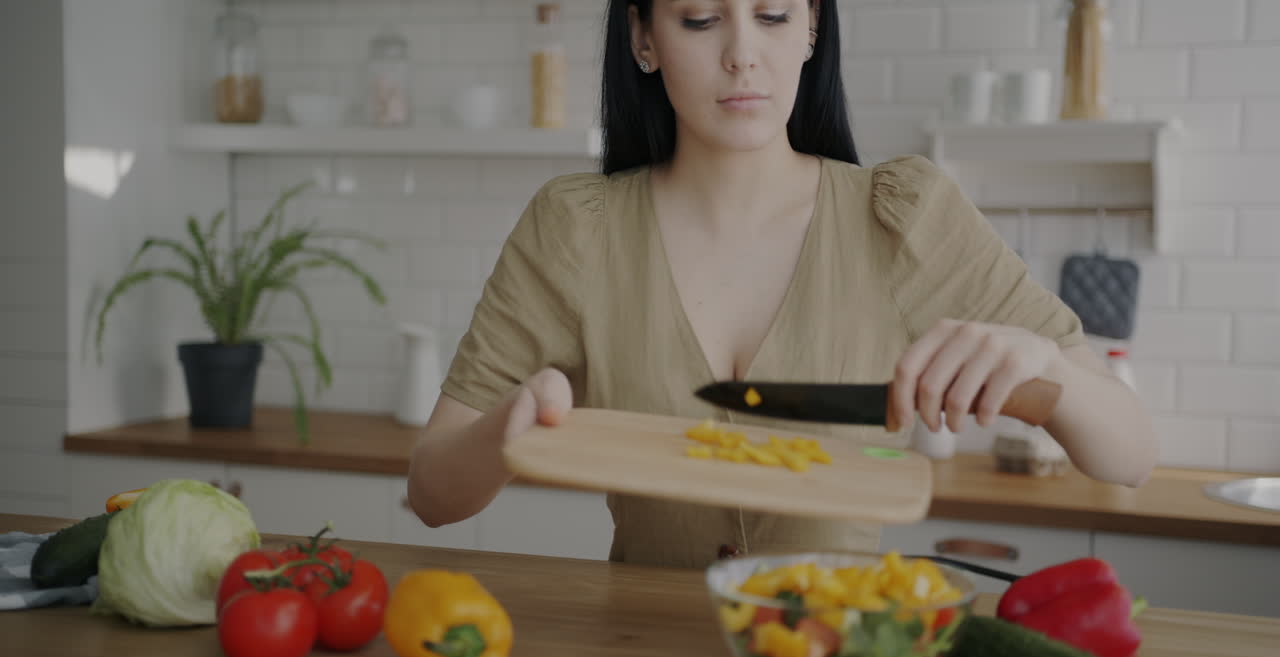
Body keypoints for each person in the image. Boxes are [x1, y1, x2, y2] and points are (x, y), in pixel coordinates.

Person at [405, 0, 1156, 569]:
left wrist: (1049, 368)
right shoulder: (574, 228)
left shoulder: (905, 216)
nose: (742, 55)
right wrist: (506, 430)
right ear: (643, 39)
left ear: (812, 28)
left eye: (772, 15)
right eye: (700, 20)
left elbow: (1129, 456)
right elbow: (432, 495)